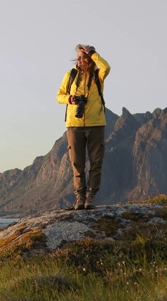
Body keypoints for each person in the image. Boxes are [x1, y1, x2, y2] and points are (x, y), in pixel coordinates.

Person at [56, 44, 111, 210]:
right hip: (74, 125)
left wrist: (93, 54)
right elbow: (59, 96)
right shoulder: (71, 74)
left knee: (96, 162)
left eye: (83, 57)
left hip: (96, 124)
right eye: (78, 57)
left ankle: (91, 197)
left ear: (90, 59)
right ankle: (79, 198)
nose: (79, 60)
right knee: (77, 163)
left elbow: (106, 67)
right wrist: (70, 99)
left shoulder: (98, 75)